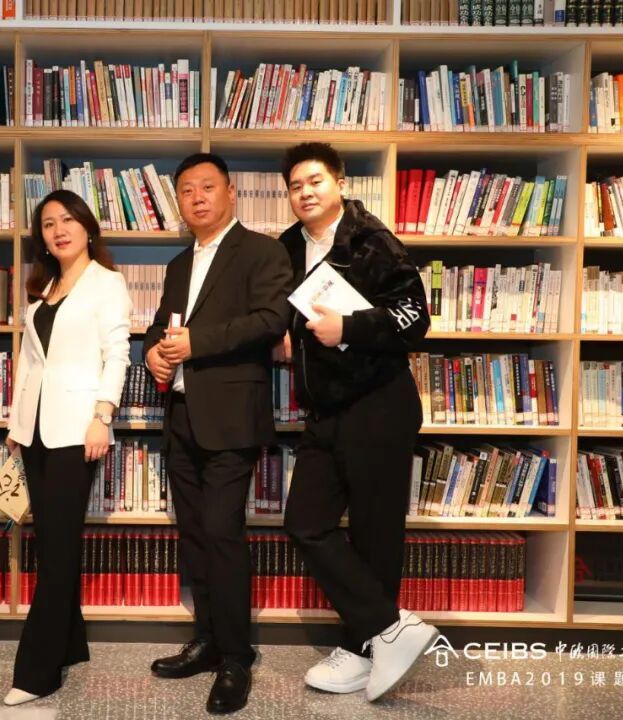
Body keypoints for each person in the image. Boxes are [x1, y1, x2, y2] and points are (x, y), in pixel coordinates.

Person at [276, 142, 436, 702]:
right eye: (295, 186)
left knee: (375, 534)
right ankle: (388, 628)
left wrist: (348, 328)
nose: (305, 193)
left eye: (315, 181)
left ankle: (363, 647)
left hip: (379, 404)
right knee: (305, 521)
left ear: (339, 183)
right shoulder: (288, 246)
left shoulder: (372, 241)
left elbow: (414, 318)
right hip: (326, 410)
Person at [144, 153, 293, 715]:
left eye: (208, 187)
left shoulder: (262, 251)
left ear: (231, 193)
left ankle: (235, 655)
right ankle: (205, 639)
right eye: (187, 190)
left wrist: (196, 343)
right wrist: (153, 351)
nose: (198, 197)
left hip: (231, 417)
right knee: (194, 535)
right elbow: (160, 325)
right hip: (182, 414)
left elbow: (271, 319)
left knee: (222, 532)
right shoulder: (179, 264)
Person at [3, 189, 131, 706]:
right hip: (35, 430)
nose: (58, 230)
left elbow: (117, 353)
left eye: (67, 219)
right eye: (48, 223)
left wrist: (103, 415)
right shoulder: (45, 286)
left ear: (87, 227)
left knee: (57, 550)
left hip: (78, 430)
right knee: (51, 542)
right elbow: (30, 362)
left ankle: (38, 672)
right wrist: (16, 423)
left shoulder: (107, 283)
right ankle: (71, 643)